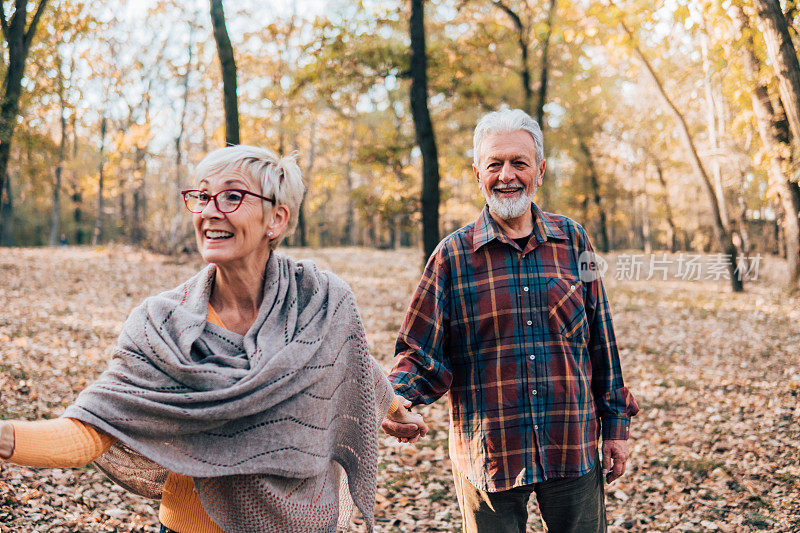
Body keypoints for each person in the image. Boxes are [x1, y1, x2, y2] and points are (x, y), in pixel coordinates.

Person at [0, 145, 426, 533]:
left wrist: (394, 408)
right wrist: (8, 436)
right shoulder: (159, 324)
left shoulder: (319, 299)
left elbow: (351, 359)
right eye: (202, 196)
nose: (210, 211)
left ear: (276, 219)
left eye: (232, 196)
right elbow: (96, 426)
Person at [382, 109, 638, 532]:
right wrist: (396, 400)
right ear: (477, 172)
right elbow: (419, 352)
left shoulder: (574, 240)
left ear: (540, 170)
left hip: (571, 442)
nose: (507, 175)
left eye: (519, 163)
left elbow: (601, 339)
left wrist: (616, 426)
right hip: (490, 454)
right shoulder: (451, 256)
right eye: (494, 164)